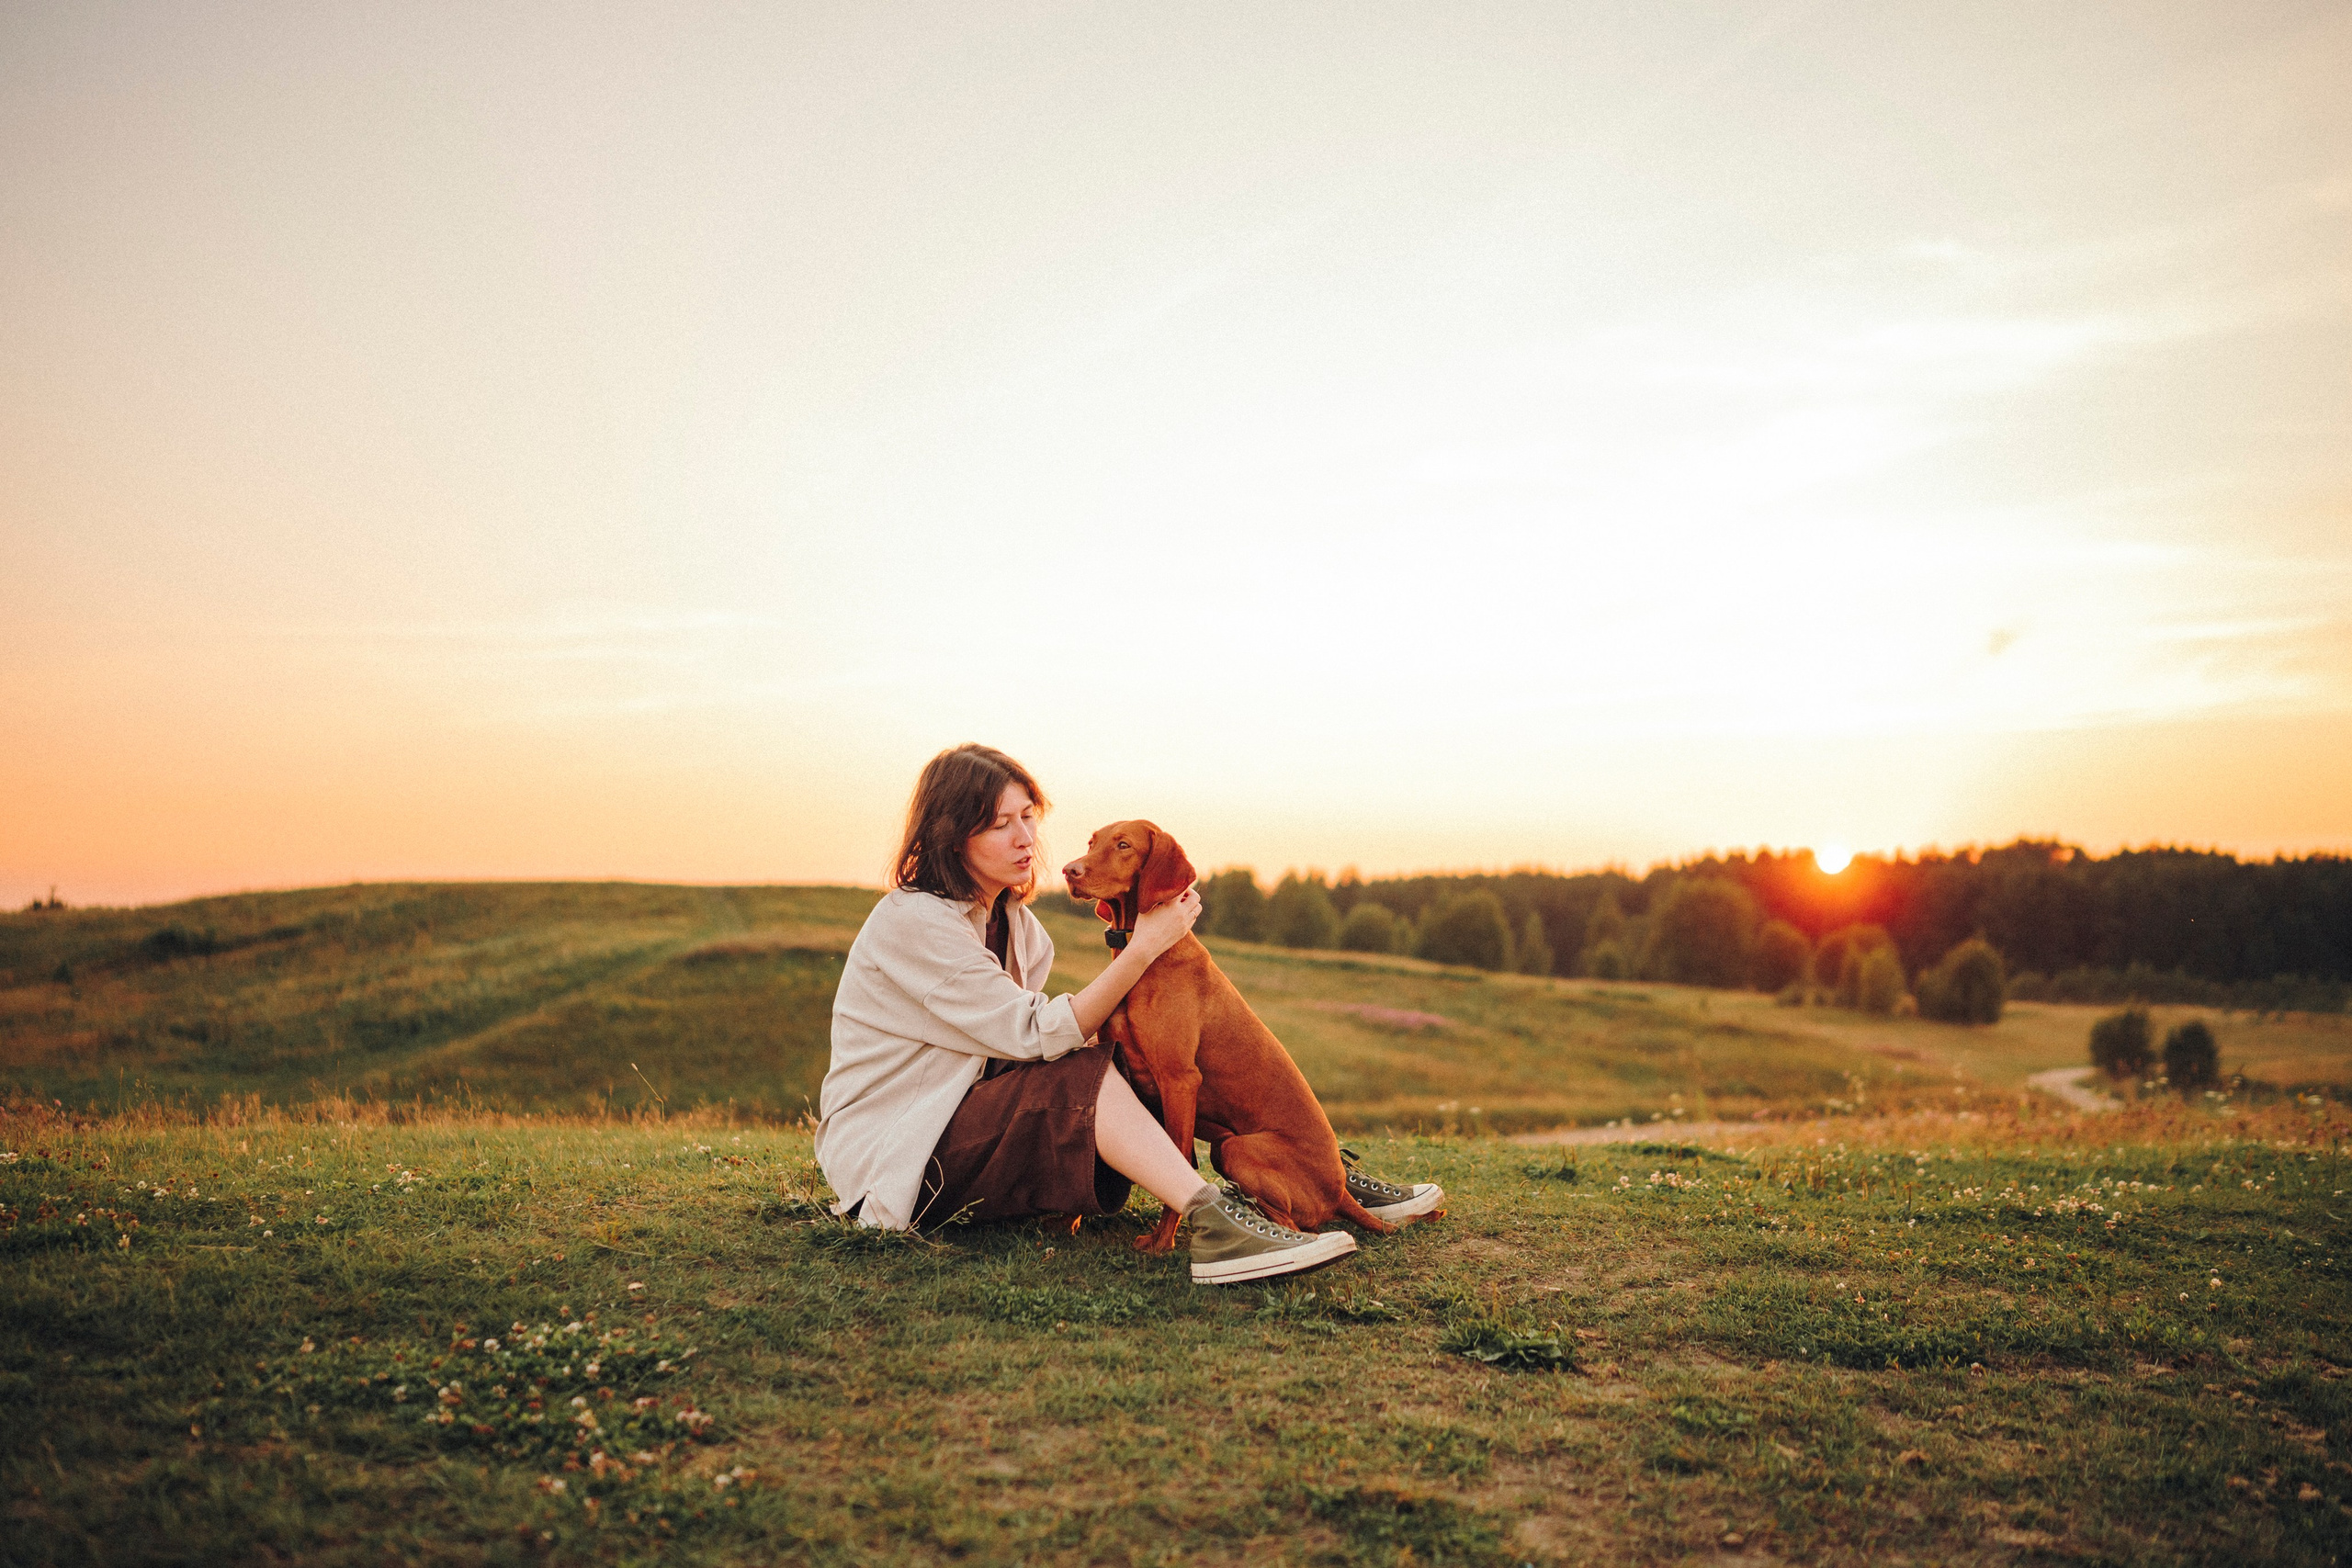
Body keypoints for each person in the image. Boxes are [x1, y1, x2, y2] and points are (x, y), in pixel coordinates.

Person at [816, 743, 1436, 1283]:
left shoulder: (1020, 929)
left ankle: (1317, 1173)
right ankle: (1214, 1221)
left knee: (1120, 1058)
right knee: (1078, 1067)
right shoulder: (915, 921)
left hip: (953, 1123)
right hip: (898, 1150)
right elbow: (1034, 1033)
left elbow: (1021, 1046)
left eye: (1029, 816)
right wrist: (1142, 947)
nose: (1026, 837)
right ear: (955, 835)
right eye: (1000, 824)